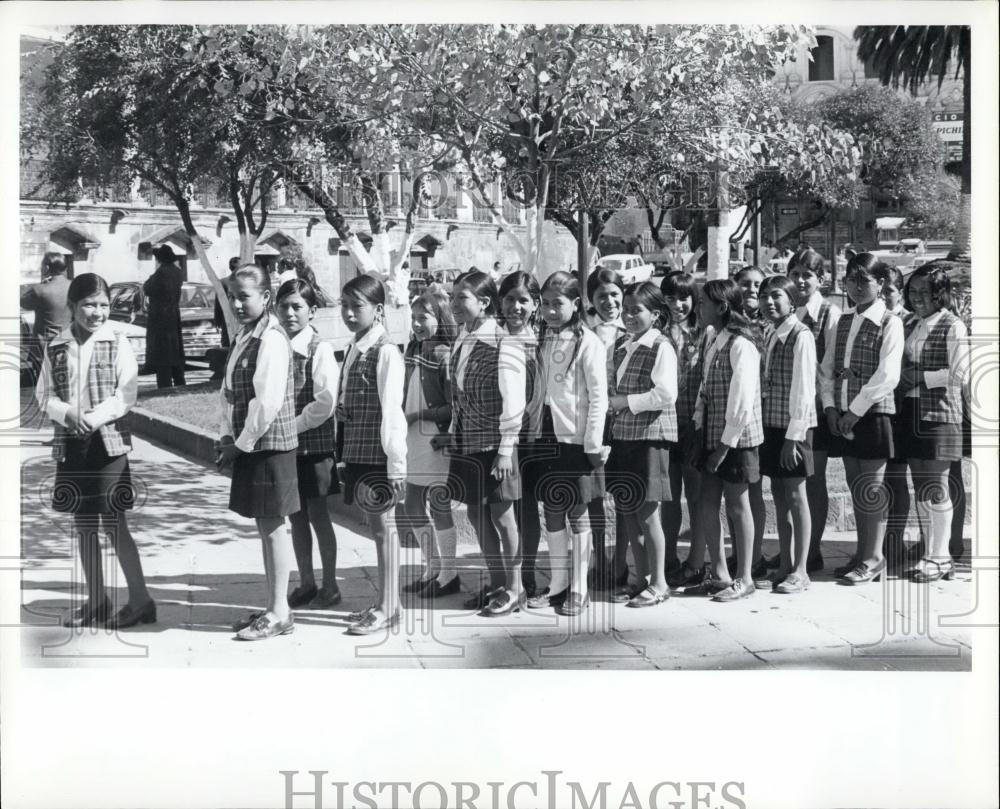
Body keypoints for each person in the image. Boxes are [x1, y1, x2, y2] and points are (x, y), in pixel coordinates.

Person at [36, 272, 155, 629]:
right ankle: (97, 600)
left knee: (114, 522)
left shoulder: (117, 340)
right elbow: (45, 395)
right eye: (88, 304)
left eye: (103, 305)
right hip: (72, 444)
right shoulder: (56, 345)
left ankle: (140, 600)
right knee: (83, 522)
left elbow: (126, 392)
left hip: (108, 444)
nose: (96, 312)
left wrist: (96, 417)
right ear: (72, 306)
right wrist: (67, 413)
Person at [219, 264, 300, 641]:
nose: (236, 303)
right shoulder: (245, 335)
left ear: (266, 298)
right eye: (233, 296)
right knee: (265, 526)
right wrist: (226, 435)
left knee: (273, 527)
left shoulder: (271, 339)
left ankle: (280, 611)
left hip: (268, 445)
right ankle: (274, 604)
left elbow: (266, 403)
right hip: (251, 443)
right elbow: (229, 391)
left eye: (244, 296)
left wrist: (240, 445)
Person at [819, 253, 903, 584]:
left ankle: (874, 557)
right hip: (842, 413)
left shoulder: (890, 322)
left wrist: (855, 411)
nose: (855, 287)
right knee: (856, 487)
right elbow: (826, 368)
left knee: (872, 489)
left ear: (880, 283)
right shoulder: (842, 321)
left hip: (871, 413)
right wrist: (829, 406)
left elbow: (888, 374)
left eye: (863, 280)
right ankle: (862, 552)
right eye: (850, 280)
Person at [527, 271, 608, 616]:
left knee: (578, 512)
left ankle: (580, 587)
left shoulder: (588, 342)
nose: (549, 310)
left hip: (575, 440)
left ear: (576, 304)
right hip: (546, 435)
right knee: (552, 509)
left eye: (557, 304)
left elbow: (599, 397)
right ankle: (558, 583)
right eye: (544, 304)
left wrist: (591, 443)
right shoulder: (543, 337)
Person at [447, 270, 525, 616]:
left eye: (462, 298)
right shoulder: (462, 338)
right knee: (477, 515)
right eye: (453, 297)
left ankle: (516, 588)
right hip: (467, 442)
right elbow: (459, 394)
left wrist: (506, 449)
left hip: (496, 445)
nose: (454, 304)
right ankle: (496, 583)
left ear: (485, 302)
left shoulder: (503, 342)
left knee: (503, 516)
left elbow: (514, 401)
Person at [336, 275, 407, 634]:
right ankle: (385, 600)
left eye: (356, 306)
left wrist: (396, 466)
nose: (348, 313)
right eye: (344, 305)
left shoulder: (386, 352)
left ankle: (389, 606)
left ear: (378, 310)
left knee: (384, 529)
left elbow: (393, 411)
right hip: (358, 449)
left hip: (379, 454)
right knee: (376, 527)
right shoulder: (355, 347)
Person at [690, 279, 763, 602]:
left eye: (704, 303)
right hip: (711, 434)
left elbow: (742, 400)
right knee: (707, 501)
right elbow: (706, 389)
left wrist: (725, 445)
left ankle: (745, 576)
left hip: (737, 439)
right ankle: (719, 573)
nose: (698, 308)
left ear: (722, 307)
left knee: (737, 504)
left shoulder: (740, 345)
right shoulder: (713, 339)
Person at [607, 282, 677, 608]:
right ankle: (641, 577)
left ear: (656, 314)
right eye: (626, 309)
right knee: (628, 512)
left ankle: (660, 582)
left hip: (649, 438)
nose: (629, 315)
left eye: (637, 310)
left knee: (648, 514)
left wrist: (624, 401)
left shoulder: (661, 346)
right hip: (624, 437)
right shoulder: (622, 345)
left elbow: (665, 394)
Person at [276, 279, 343, 610]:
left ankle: (330, 585)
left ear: (312, 311)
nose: (289, 313)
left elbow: (324, 404)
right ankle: (306, 581)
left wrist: (292, 425)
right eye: (284, 306)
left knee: (318, 515)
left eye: (297, 306)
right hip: (286, 448)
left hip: (312, 447)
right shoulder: (274, 347)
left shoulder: (320, 349)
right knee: (295, 517)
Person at [899, 262, 968, 582]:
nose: (917, 298)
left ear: (940, 294)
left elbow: (959, 373)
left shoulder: (952, 325)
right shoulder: (910, 323)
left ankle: (940, 557)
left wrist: (918, 377)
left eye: (924, 292)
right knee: (922, 486)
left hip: (940, 413)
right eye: (912, 292)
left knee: (938, 486)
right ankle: (931, 551)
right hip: (911, 412)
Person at [398, 289, 461, 599]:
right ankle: (432, 567)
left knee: (438, 505)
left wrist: (420, 415)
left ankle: (449, 573)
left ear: (441, 319)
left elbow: (454, 404)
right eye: (413, 318)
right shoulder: (414, 350)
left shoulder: (444, 354)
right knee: (411, 503)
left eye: (423, 317)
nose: (417, 323)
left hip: (433, 438)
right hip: (412, 437)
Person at [758, 275, 817, 593]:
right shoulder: (771, 333)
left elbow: (805, 390)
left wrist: (794, 438)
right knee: (779, 496)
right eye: (764, 296)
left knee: (796, 496)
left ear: (792, 300)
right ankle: (785, 565)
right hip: (772, 424)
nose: (769, 302)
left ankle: (801, 570)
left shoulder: (801, 335)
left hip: (794, 428)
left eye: (776, 296)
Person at [788, 248, 841, 573]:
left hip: (817, 409)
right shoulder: (789, 311)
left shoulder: (828, 314)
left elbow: (829, 366)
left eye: (807, 274)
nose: (801, 280)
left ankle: (812, 550)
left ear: (820, 279)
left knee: (813, 478)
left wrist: (826, 404)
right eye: (795, 274)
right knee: (791, 480)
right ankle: (796, 549)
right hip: (790, 407)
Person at [660, 271, 711, 589]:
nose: (678, 304)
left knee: (696, 496)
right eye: (670, 298)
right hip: (663, 425)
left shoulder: (702, 332)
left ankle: (696, 562)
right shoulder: (658, 330)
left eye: (684, 298)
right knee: (668, 497)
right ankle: (667, 560)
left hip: (693, 425)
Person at [497, 271, 545, 597]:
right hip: (499, 436)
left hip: (528, 439)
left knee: (525, 508)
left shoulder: (537, 342)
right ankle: (506, 577)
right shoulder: (493, 338)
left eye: (523, 300)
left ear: (536, 304)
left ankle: (526, 576)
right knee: (501, 510)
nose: (516, 306)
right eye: (510, 299)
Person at [585, 267, 628, 588]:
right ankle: (599, 556)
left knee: (626, 495)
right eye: (602, 296)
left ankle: (621, 561)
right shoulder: (588, 333)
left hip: (628, 421)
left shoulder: (634, 329)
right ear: (591, 300)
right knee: (595, 495)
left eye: (614, 294)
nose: (609, 301)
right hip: (597, 423)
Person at [734, 266, 769, 582]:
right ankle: (744, 553)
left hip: (763, 416)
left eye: (758, 284)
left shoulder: (769, 322)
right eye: (745, 284)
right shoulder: (731, 324)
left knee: (754, 490)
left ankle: (756, 554)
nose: (752, 289)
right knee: (741, 491)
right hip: (741, 416)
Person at [879, 264, 915, 571]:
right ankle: (878, 544)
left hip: (903, 409)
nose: (885, 296)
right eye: (881, 290)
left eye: (889, 290)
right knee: (879, 478)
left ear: (899, 292)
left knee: (896, 478)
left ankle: (895, 539)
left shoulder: (909, 321)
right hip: (878, 408)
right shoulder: (872, 319)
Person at [21, 253, 73, 381]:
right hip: (69, 342)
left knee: (43, 386)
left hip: (43, 345)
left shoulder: (40, 290)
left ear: (47, 268)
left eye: (42, 265)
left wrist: (41, 283)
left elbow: (22, 302)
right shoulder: (74, 287)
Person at [144, 245, 186, 388]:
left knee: (162, 353)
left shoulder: (161, 272)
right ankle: (180, 380)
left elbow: (148, 287)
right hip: (173, 314)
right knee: (175, 350)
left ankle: (165, 384)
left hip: (160, 316)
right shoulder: (178, 272)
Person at [214, 256, 241, 349]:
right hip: (229, 319)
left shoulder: (244, 281)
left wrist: (217, 321)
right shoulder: (224, 282)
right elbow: (219, 302)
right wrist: (217, 320)